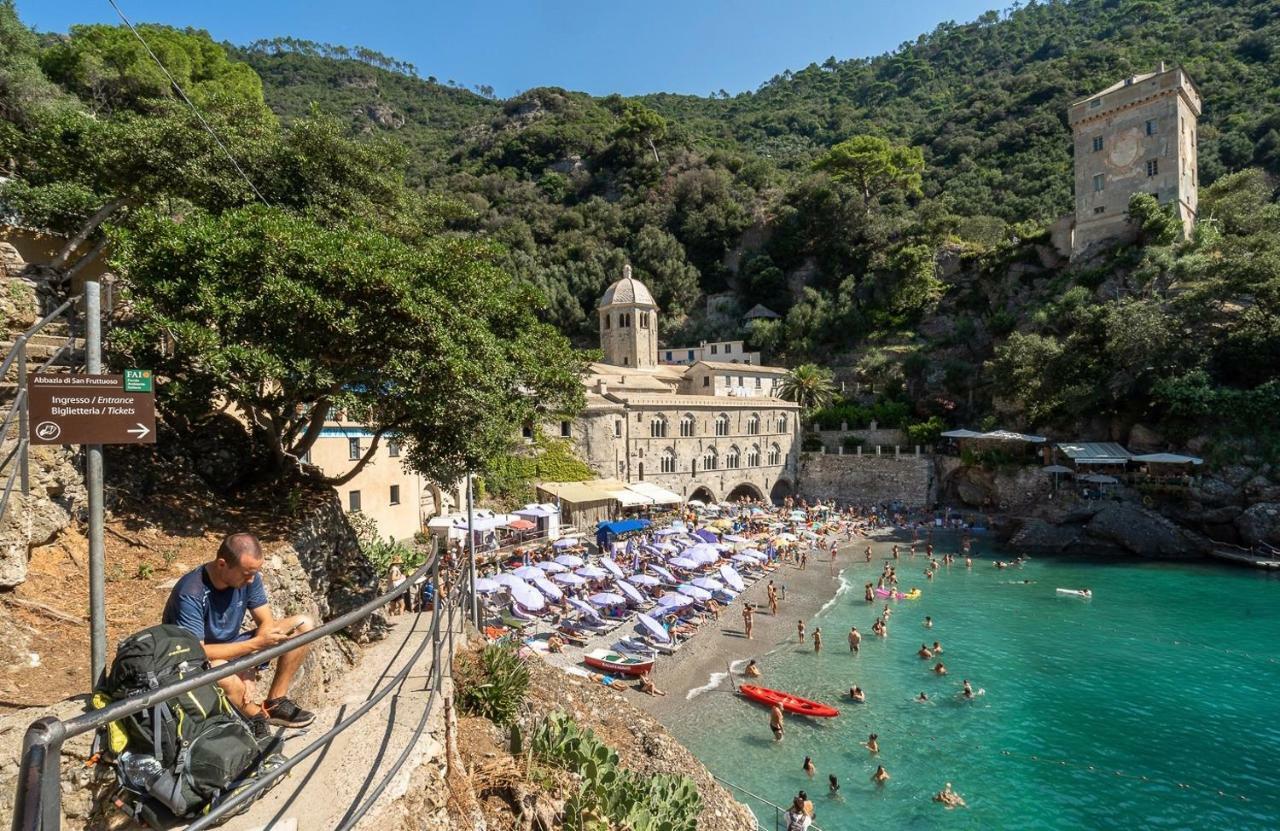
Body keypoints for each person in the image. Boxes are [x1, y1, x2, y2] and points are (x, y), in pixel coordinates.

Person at [163, 533, 315, 736]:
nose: (251, 579)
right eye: (246, 574)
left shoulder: (249, 578)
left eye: (254, 573)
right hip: (196, 659)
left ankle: (275, 702)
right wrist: (254, 648)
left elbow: (266, 622)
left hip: (234, 645)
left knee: (303, 625)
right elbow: (198, 651)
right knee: (221, 671)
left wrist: (250, 664)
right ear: (222, 564)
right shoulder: (191, 592)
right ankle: (256, 717)